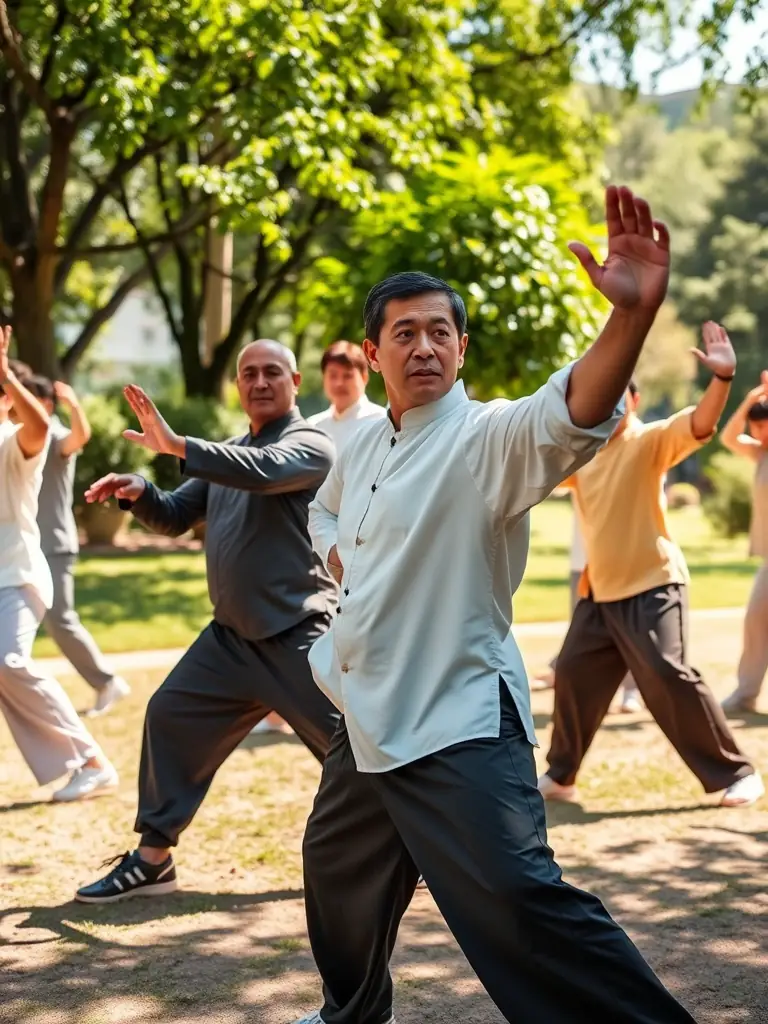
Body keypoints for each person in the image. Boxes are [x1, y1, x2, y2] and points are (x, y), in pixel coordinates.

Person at [294, 188, 700, 1024]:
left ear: (462, 348)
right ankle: (351, 1014)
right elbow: (322, 507)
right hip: (363, 709)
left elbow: (566, 414)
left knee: (517, 901)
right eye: (403, 332)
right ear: (374, 355)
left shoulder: (483, 440)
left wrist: (629, 321)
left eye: (440, 330)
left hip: (455, 719)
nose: (424, 345)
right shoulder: (363, 439)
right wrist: (339, 552)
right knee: (337, 880)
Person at [74, 339, 341, 904]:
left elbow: (267, 472)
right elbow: (174, 516)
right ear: (238, 385)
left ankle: (410, 848)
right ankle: (153, 859)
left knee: (356, 745)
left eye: (273, 372)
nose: (260, 381)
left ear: (295, 380)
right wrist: (142, 491)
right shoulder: (226, 452)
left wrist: (179, 445)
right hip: (231, 639)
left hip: (299, 631)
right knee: (170, 714)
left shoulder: (311, 443)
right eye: (249, 373)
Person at [541, 322, 763, 810]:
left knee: (667, 673)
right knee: (575, 675)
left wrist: (721, 381)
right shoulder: (585, 456)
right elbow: (536, 469)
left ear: (634, 401)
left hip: (653, 584)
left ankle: (736, 773)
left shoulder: (649, 441)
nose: (613, 403)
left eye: (620, 394)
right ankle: (561, 776)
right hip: (600, 595)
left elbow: (699, 424)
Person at [0, 329, 118, 802]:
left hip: (16, 578)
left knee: (8, 661)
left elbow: (40, 429)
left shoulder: (12, 441)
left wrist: (7, 372)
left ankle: (91, 762)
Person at [23, 375, 130, 716]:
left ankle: (107, 682)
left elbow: (80, 436)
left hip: (53, 544)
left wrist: (74, 404)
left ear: (47, 405)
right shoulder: (19, 439)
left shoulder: (54, 437)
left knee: (60, 621)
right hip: (24, 546)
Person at [719, 369, 768, 712]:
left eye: (762, 427)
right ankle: (746, 694)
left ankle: (746, 693)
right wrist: (751, 399)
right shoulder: (761, 453)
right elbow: (728, 437)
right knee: (756, 618)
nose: (756, 434)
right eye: (755, 429)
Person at [307, 339, 387, 453]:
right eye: (333, 375)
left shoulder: (381, 422)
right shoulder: (313, 427)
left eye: (348, 376)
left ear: (364, 377)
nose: (339, 383)